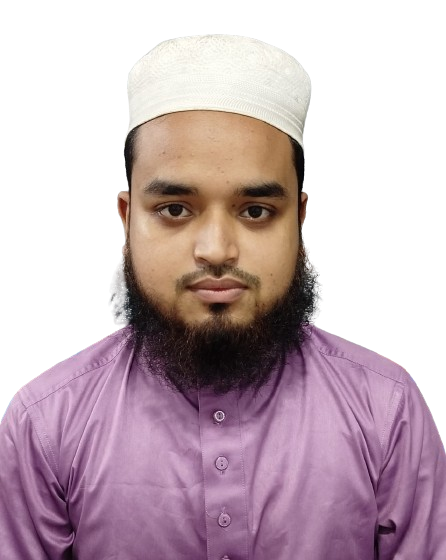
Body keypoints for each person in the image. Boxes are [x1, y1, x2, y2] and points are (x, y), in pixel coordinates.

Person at [0, 34, 444, 560]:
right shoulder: (44, 423)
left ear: (299, 221)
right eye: (175, 210)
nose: (215, 250)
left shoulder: (387, 410)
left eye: (255, 211)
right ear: (126, 219)